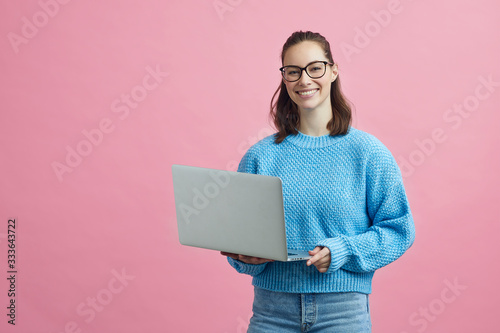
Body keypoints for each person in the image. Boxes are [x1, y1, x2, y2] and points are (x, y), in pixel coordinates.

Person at [221, 30, 415, 332]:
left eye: (315, 68)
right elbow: (240, 245)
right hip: (271, 311)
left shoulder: (367, 152)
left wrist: (342, 251)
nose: (304, 80)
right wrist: (247, 258)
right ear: (284, 79)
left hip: (343, 312)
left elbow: (399, 229)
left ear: (333, 70)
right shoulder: (260, 157)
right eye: (293, 72)